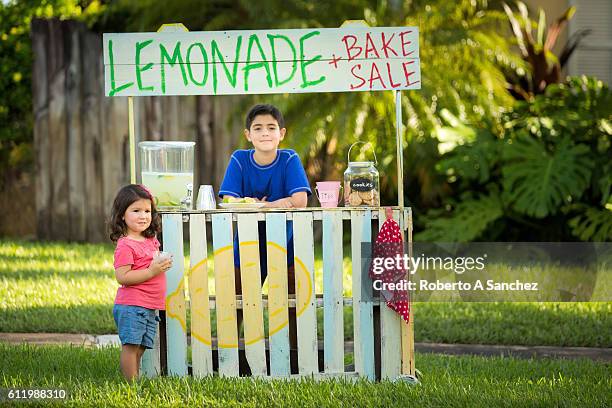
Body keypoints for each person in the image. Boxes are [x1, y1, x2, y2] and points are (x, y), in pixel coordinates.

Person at [219, 104, 311, 359]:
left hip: (286, 244)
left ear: (282, 133)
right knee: (238, 302)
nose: (265, 133)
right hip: (247, 245)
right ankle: (233, 356)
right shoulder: (239, 158)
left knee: (291, 302)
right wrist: (278, 204)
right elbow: (228, 199)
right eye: (258, 128)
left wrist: (260, 205)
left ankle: (296, 355)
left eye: (271, 128)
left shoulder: (289, 158)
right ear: (248, 134)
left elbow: (300, 200)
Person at [109, 184, 173, 381]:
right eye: (136, 211)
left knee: (142, 346)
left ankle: (134, 378)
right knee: (131, 347)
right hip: (132, 305)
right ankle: (131, 386)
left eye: (147, 211)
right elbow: (123, 277)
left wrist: (161, 263)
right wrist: (152, 270)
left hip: (150, 305)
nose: (143, 216)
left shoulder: (150, 239)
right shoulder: (125, 245)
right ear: (122, 215)